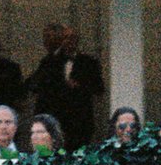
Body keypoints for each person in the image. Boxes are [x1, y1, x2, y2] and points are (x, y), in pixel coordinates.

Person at [28, 24, 105, 154]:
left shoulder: (89, 62)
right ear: (60, 41)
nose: (69, 41)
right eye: (65, 38)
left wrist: (80, 86)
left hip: (80, 120)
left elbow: (99, 88)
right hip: (57, 119)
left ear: (77, 40)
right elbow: (38, 86)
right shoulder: (49, 62)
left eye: (72, 38)